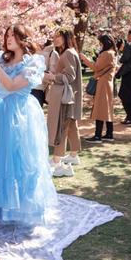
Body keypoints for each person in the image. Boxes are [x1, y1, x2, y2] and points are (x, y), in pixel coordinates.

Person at [0, 24, 57, 225]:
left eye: (13, 35)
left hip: (20, 116)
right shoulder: (3, 59)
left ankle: (22, 208)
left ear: (23, 38)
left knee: (20, 160)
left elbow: (12, 86)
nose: (8, 38)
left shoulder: (34, 62)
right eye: (7, 35)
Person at [45, 29, 83, 177]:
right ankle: (73, 155)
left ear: (66, 37)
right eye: (54, 36)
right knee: (71, 125)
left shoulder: (67, 53)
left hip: (65, 97)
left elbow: (70, 75)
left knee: (62, 126)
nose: (55, 39)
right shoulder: (72, 52)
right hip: (70, 96)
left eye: (58, 36)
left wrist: (53, 77)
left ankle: (56, 159)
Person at [80, 34, 117, 142]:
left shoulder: (106, 54)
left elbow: (96, 67)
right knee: (107, 109)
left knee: (100, 109)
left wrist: (85, 59)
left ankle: (98, 135)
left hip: (103, 84)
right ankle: (109, 133)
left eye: (101, 43)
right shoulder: (113, 53)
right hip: (108, 83)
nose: (100, 45)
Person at [31, 40, 59, 107]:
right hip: (26, 86)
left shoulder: (52, 53)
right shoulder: (32, 50)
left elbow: (52, 74)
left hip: (39, 88)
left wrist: (37, 73)